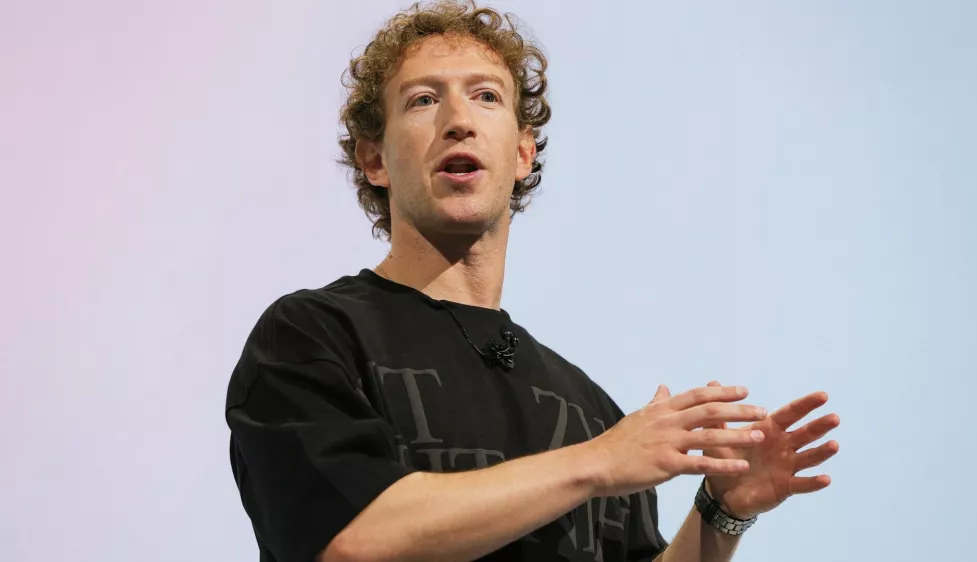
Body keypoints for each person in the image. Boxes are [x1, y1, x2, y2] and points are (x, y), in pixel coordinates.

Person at [224, 2, 841, 561]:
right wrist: (599, 462)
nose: (459, 120)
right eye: (423, 100)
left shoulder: (590, 409)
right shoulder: (312, 336)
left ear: (523, 154)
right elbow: (352, 540)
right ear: (374, 159)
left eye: (486, 96)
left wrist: (720, 515)